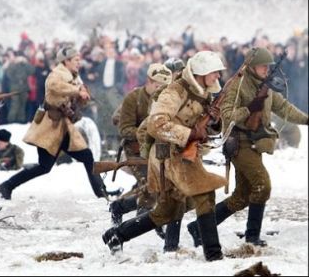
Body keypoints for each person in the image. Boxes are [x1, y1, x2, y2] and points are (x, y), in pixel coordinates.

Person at [102, 51, 227, 261]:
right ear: (202, 72)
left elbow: (207, 129)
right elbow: (156, 124)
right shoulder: (174, 92)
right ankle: (213, 255)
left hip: (184, 155)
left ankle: (117, 235)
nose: (217, 77)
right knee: (205, 195)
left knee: (167, 211)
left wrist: (214, 122)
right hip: (167, 154)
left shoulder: (205, 94)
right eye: (214, 72)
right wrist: (188, 133)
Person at [187, 47, 308, 247]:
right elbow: (227, 114)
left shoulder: (266, 86)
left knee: (242, 196)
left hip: (256, 143)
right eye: (262, 66)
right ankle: (252, 236)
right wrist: (249, 109)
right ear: (251, 67)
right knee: (262, 185)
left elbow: (284, 108)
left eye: (268, 67)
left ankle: (199, 227)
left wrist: (307, 119)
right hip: (240, 143)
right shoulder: (237, 85)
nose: (266, 70)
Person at [0, 47, 110, 201]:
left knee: (87, 156)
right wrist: (77, 90)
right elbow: (55, 87)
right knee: (45, 166)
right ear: (66, 61)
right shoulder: (57, 74)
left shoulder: (75, 77)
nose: (79, 63)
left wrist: (83, 97)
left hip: (64, 127)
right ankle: (7, 185)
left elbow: (78, 99)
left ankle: (102, 192)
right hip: (50, 126)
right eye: (76, 60)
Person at [109, 63, 172, 228]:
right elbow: (125, 129)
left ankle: (132, 214)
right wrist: (146, 132)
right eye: (158, 86)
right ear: (149, 82)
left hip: (160, 150)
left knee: (165, 185)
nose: (161, 90)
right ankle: (138, 222)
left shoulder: (167, 100)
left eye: (164, 87)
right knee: (151, 187)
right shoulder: (134, 98)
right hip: (136, 151)